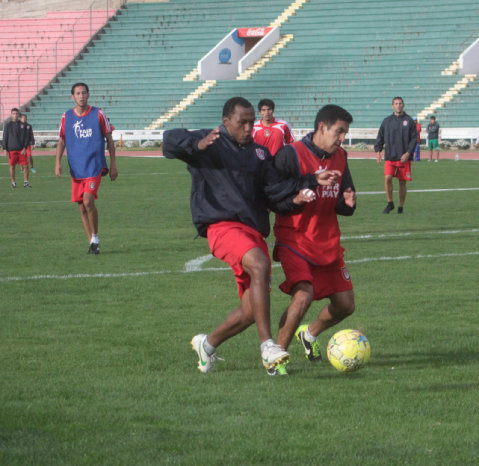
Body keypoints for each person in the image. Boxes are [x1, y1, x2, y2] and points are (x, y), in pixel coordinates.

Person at [162, 96, 339, 375]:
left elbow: (273, 194)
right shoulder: (211, 142)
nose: (248, 128)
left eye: (250, 122)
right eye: (241, 123)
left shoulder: (259, 154)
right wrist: (197, 144)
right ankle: (267, 345)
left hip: (254, 232)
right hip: (222, 227)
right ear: (226, 121)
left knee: (249, 311)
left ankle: (207, 345)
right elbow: (169, 140)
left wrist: (305, 188)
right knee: (259, 263)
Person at [270, 104, 356, 375]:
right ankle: (277, 358)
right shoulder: (291, 154)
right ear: (322, 127)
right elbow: (273, 196)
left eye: (345, 132)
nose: (341, 138)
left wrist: (349, 203)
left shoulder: (341, 156)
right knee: (303, 295)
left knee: (345, 305)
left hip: (327, 241)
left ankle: (309, 334)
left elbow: (343, 198)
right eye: (339, 131)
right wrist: (301, 193)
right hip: (294, 238)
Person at [55, 82, 118, 254]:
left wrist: (113, 164)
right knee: (81, 207)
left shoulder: (98, 114)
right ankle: (92, 243)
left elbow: (109, 140)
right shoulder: (66, 117)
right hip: (76, 168)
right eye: (78, 93)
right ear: (73, 97)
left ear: (88, 95)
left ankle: (95, 237)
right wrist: (57, 162)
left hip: (94, 166)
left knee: (88, 201)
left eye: (84, 93)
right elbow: (61, 141)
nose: (81, 96)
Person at [374, 96, 417, 214]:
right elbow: (380, 137)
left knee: (402, 182)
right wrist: (378, 152)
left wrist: (408, 153)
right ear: (392, 106)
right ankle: (390, 203)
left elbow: (414, 139)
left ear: (403, 105)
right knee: (387, 178)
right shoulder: (386, 121)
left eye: (400, 103)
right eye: (396, 103)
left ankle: (401, 207)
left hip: (404, 158)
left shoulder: (409, 121)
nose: (398, 105)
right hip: (390, 156)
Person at [2, 107, 30, 188]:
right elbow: (5, 137)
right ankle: (13, 182)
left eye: (16, 114)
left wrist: (25, 147)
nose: (15, 115)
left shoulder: (22, 125)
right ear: (11, 115)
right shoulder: (7, 125)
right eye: (13, 114)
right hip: (11, 149)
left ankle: (26, 182)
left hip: (21, 149)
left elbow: (26, 137)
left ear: (18, 115)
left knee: (25, 165)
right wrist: (5, 148)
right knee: (12, 166)